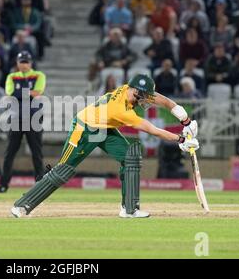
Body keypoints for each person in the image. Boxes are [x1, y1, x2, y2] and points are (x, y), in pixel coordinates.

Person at [11, 74, 199, 218]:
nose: (148, 101)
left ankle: (129, 209)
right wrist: (180, 140)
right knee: (62, 170)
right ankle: (22, 205)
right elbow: (152, 129)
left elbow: (164, 101)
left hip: (104, 127)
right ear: (136, 92)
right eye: (146, 97)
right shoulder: (122, 110)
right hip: (84, 129)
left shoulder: (130, 89)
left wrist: (186, 120)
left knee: (130, 157)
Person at [0, 51, 47, 193]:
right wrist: (28, 93)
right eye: (21, 62)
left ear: (30, 63)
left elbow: (38, 92)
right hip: (16, 118)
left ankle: (40, 185)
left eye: (26, 62)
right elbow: (10, 94)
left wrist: (20, 93)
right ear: (17, 63)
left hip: (33, 117)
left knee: (37, 153)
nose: (24, 65)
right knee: (10, 152)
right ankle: (3, 184)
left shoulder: (39, 75)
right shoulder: (12, 77)